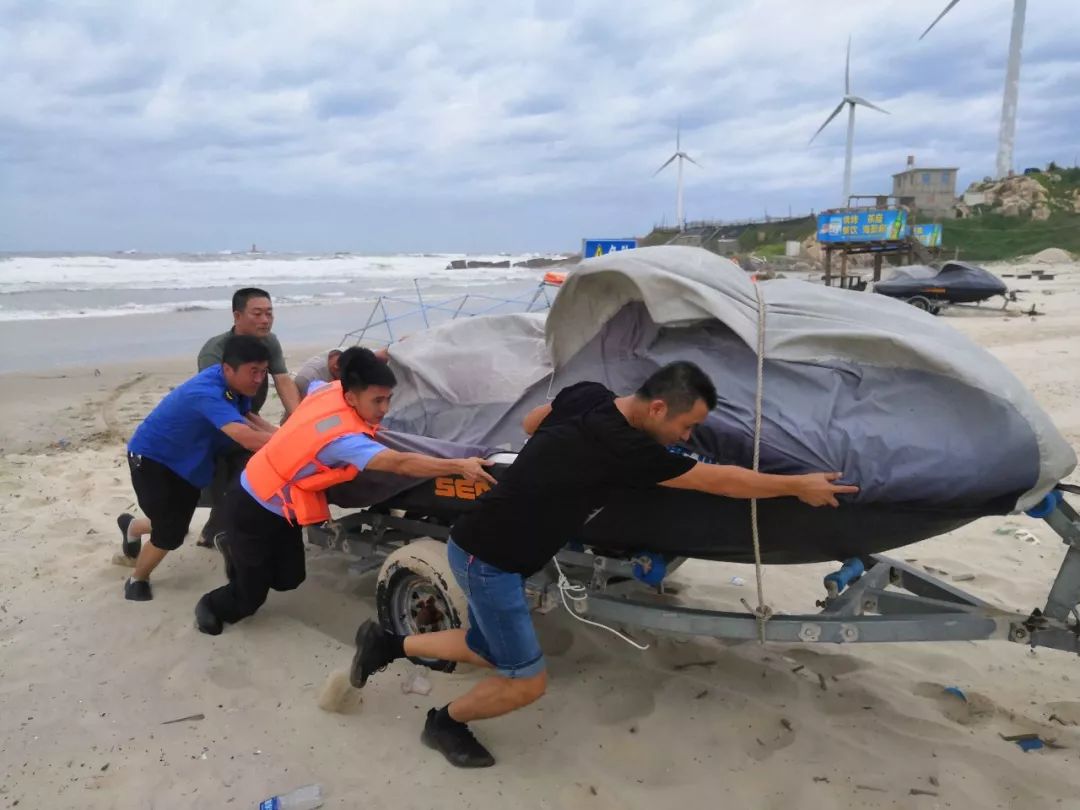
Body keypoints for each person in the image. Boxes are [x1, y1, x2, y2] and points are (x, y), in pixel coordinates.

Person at [347, 362, 859, 768]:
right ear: (657, 407)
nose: (688, 435)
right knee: (526, 679)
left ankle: (386, 642)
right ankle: (444, 723)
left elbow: (530, 423)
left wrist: (561, 458)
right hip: (492, 562)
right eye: (688, 425)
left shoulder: (588, 394)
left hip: (476, 542)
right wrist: (796, 484)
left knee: (483, 646)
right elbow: (719, 480)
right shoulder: (630, 451)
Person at [194, 347, 496, 635]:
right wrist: (458, 465)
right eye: (377, 401)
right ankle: (211, 604)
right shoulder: (343, 440)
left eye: (388, 399)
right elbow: (400, 463)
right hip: (252, 505)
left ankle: (240, 556)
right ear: (351, 396)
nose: (384, 409)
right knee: (249, 597)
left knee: (289, 579)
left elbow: (313, 385)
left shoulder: (327, 390)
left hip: (283, 507)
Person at [117, 335, 278, 601]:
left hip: (189, 462)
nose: (259, 379)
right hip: (153, 460)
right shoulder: (206, 392)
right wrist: (289, 446)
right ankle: (137, 578)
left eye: (263, 371)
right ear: (228, 368)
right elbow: (244, 435)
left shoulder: (235, 386)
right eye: (253, 372)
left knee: (175, 523)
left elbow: (248, 418)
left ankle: (132, 527)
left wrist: (283, 435)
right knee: (169, 534)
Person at [196, 287, 301, 547]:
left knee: (249, 468)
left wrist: (300, 423)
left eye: (269, 313)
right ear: (237, 316)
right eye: (257, 313)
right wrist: (270, 435)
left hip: (246, 414)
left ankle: (221, 527)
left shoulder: (270, 341)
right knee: (223, 478)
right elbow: (220, 404)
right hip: (216, 421)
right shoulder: (214, 352)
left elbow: (283, 381)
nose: (265, 320)